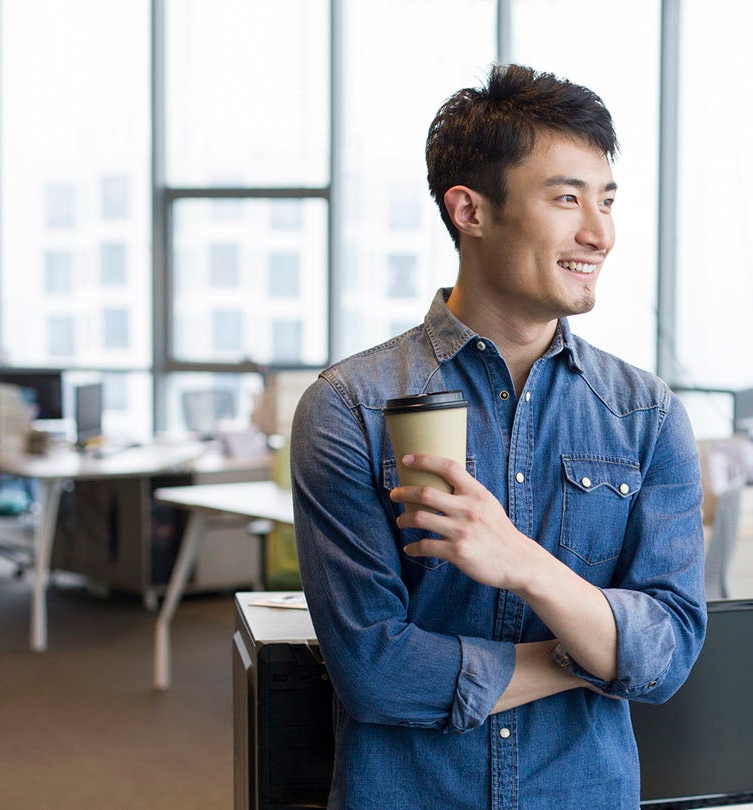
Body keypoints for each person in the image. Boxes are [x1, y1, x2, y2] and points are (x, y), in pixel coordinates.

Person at [291, 65, 707, 809]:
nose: (599, 232)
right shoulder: (350, 406)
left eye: (607, 200)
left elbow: (669, 653)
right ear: (470, 211)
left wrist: (525, 566)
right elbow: (375, 670)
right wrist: (589, 650)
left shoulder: (645, 414)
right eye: (566, 197)